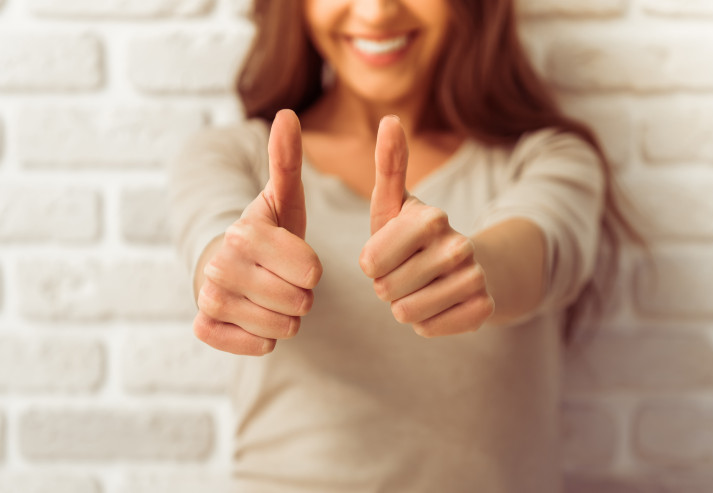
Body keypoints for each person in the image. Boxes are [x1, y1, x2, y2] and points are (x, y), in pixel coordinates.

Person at [168, 0, 632, 491]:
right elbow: (214, 245)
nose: (376, 12)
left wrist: (472, 270)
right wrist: (230, 275)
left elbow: (536, 256)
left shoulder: (547, 158)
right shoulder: (230, 156)